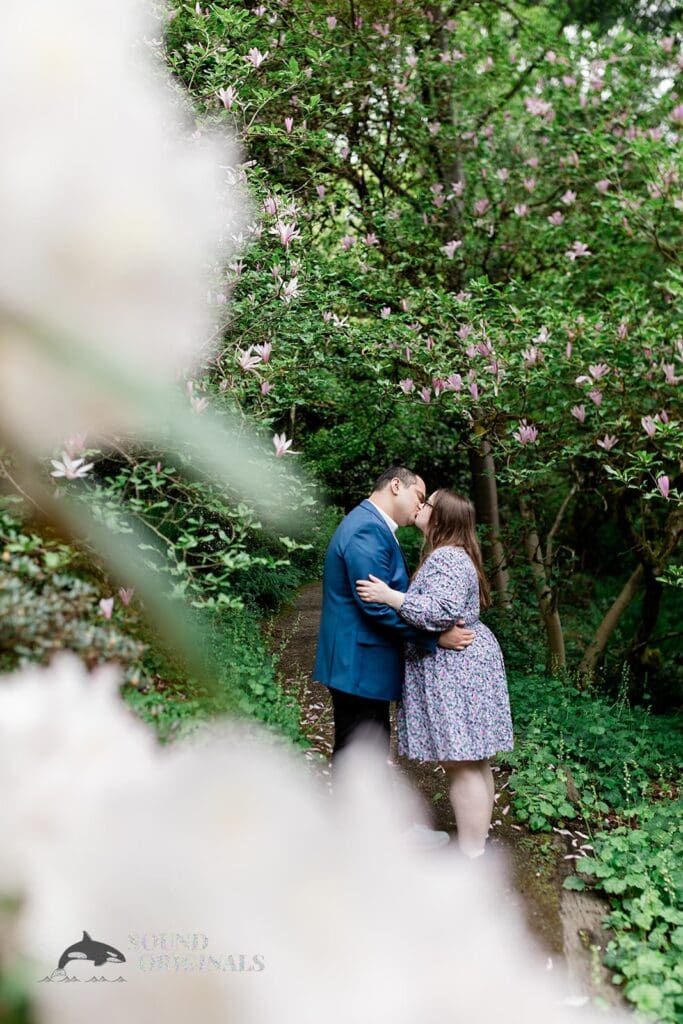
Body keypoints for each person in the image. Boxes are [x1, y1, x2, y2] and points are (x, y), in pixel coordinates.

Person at [356, 489, 513, 858]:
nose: (421, 507)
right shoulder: (456, 555)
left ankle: (472, 854)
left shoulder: (446, 558)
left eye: (428, 505)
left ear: (440, 518)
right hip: (467, 665)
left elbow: (438, 612)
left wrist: (389, 596)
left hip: (456, 669)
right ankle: (478, 844)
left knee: (460, 762)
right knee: (473, 759)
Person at [313, 468, 475, 763]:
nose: (420, 506)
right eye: (420, 497)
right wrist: (435, 637)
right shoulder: (367, 529)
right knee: (359, 758)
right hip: (358, 666)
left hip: (362, 665)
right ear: (396, 486)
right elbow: (375, 604)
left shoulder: (374, 525)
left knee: (366, 755)